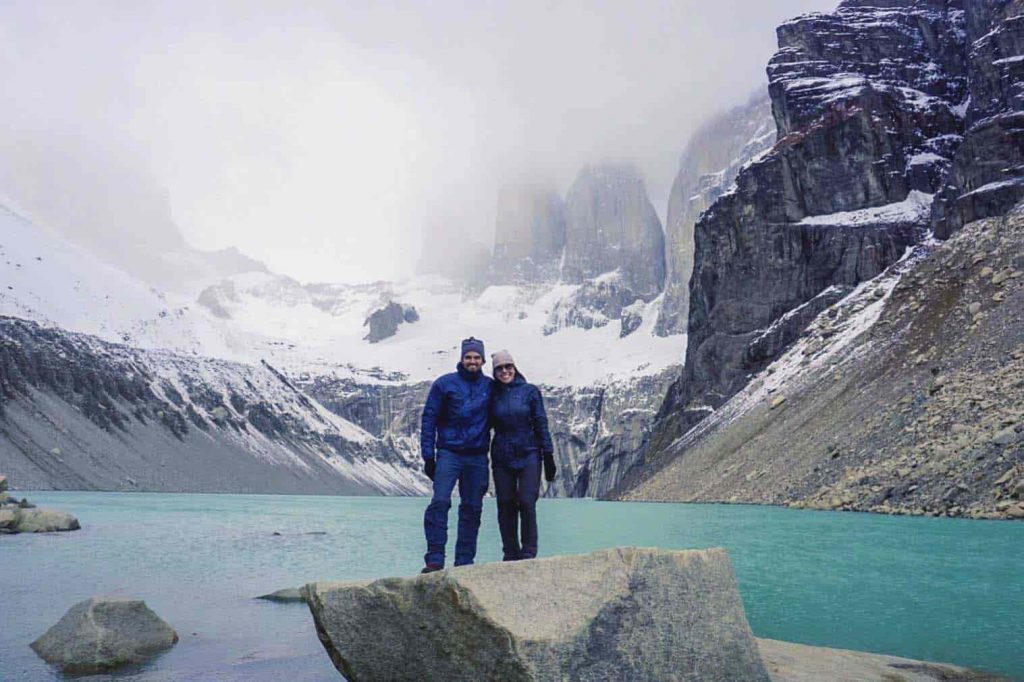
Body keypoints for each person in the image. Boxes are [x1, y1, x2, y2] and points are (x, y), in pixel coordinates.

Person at [420, 337, 493, 572]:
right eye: (468, 357)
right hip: (449, 453)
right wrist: (428, 456)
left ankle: (464, 563)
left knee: (472, 508)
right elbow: (429, 418)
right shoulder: (444, 384)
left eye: (476, 357)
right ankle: (435, 559)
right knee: (440, 502)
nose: (472, 361)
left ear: (482, 360)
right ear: (462, 359)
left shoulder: (490, 387)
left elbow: (511, 400)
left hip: (477, 456)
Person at [488, 349, 556, 561]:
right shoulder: (491, 394)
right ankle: (510, 552)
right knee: (505, 503)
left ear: (514, 368)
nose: (504, 371)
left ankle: (528, 551)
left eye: (508, 366)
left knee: (526, 501)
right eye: (499, 368)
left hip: (529, 453)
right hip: (502, 455)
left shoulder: (530, 392)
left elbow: (540, 423)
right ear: (494, 372)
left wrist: (549, 456)